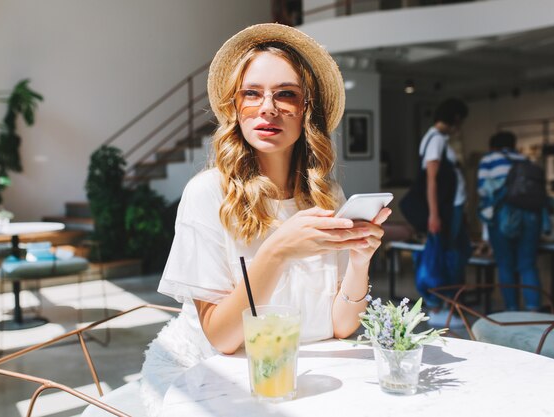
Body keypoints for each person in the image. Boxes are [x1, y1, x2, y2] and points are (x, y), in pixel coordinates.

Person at [138, 23, 391, 416]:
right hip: (209, 378)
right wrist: (278, 251)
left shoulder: (327, 196)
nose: (267, 107)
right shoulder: (209, 194)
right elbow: (222, 337)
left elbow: (342, 327)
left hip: (305, 372)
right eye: (251, 93)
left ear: (306, 108)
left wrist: (360, 260)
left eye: (285, 94)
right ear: (234, 107)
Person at [416, 98, 471, 326]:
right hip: (446, 209)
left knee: (449, 253)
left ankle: (447, 305)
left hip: (449, 207)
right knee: (449, 255)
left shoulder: (435, 138)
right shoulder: (436, 140)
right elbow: (431, 180)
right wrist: (434, 214)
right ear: (456, 118)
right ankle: (444, 306)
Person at [477, 131, 542, 311]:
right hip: (531, 217)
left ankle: (512, 310)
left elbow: (483, 191)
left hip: (502, 217)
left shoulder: (489, 159)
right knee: (527, 264)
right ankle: (533, 310)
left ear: (493, 145)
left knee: (505, 264)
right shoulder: (525, 160)